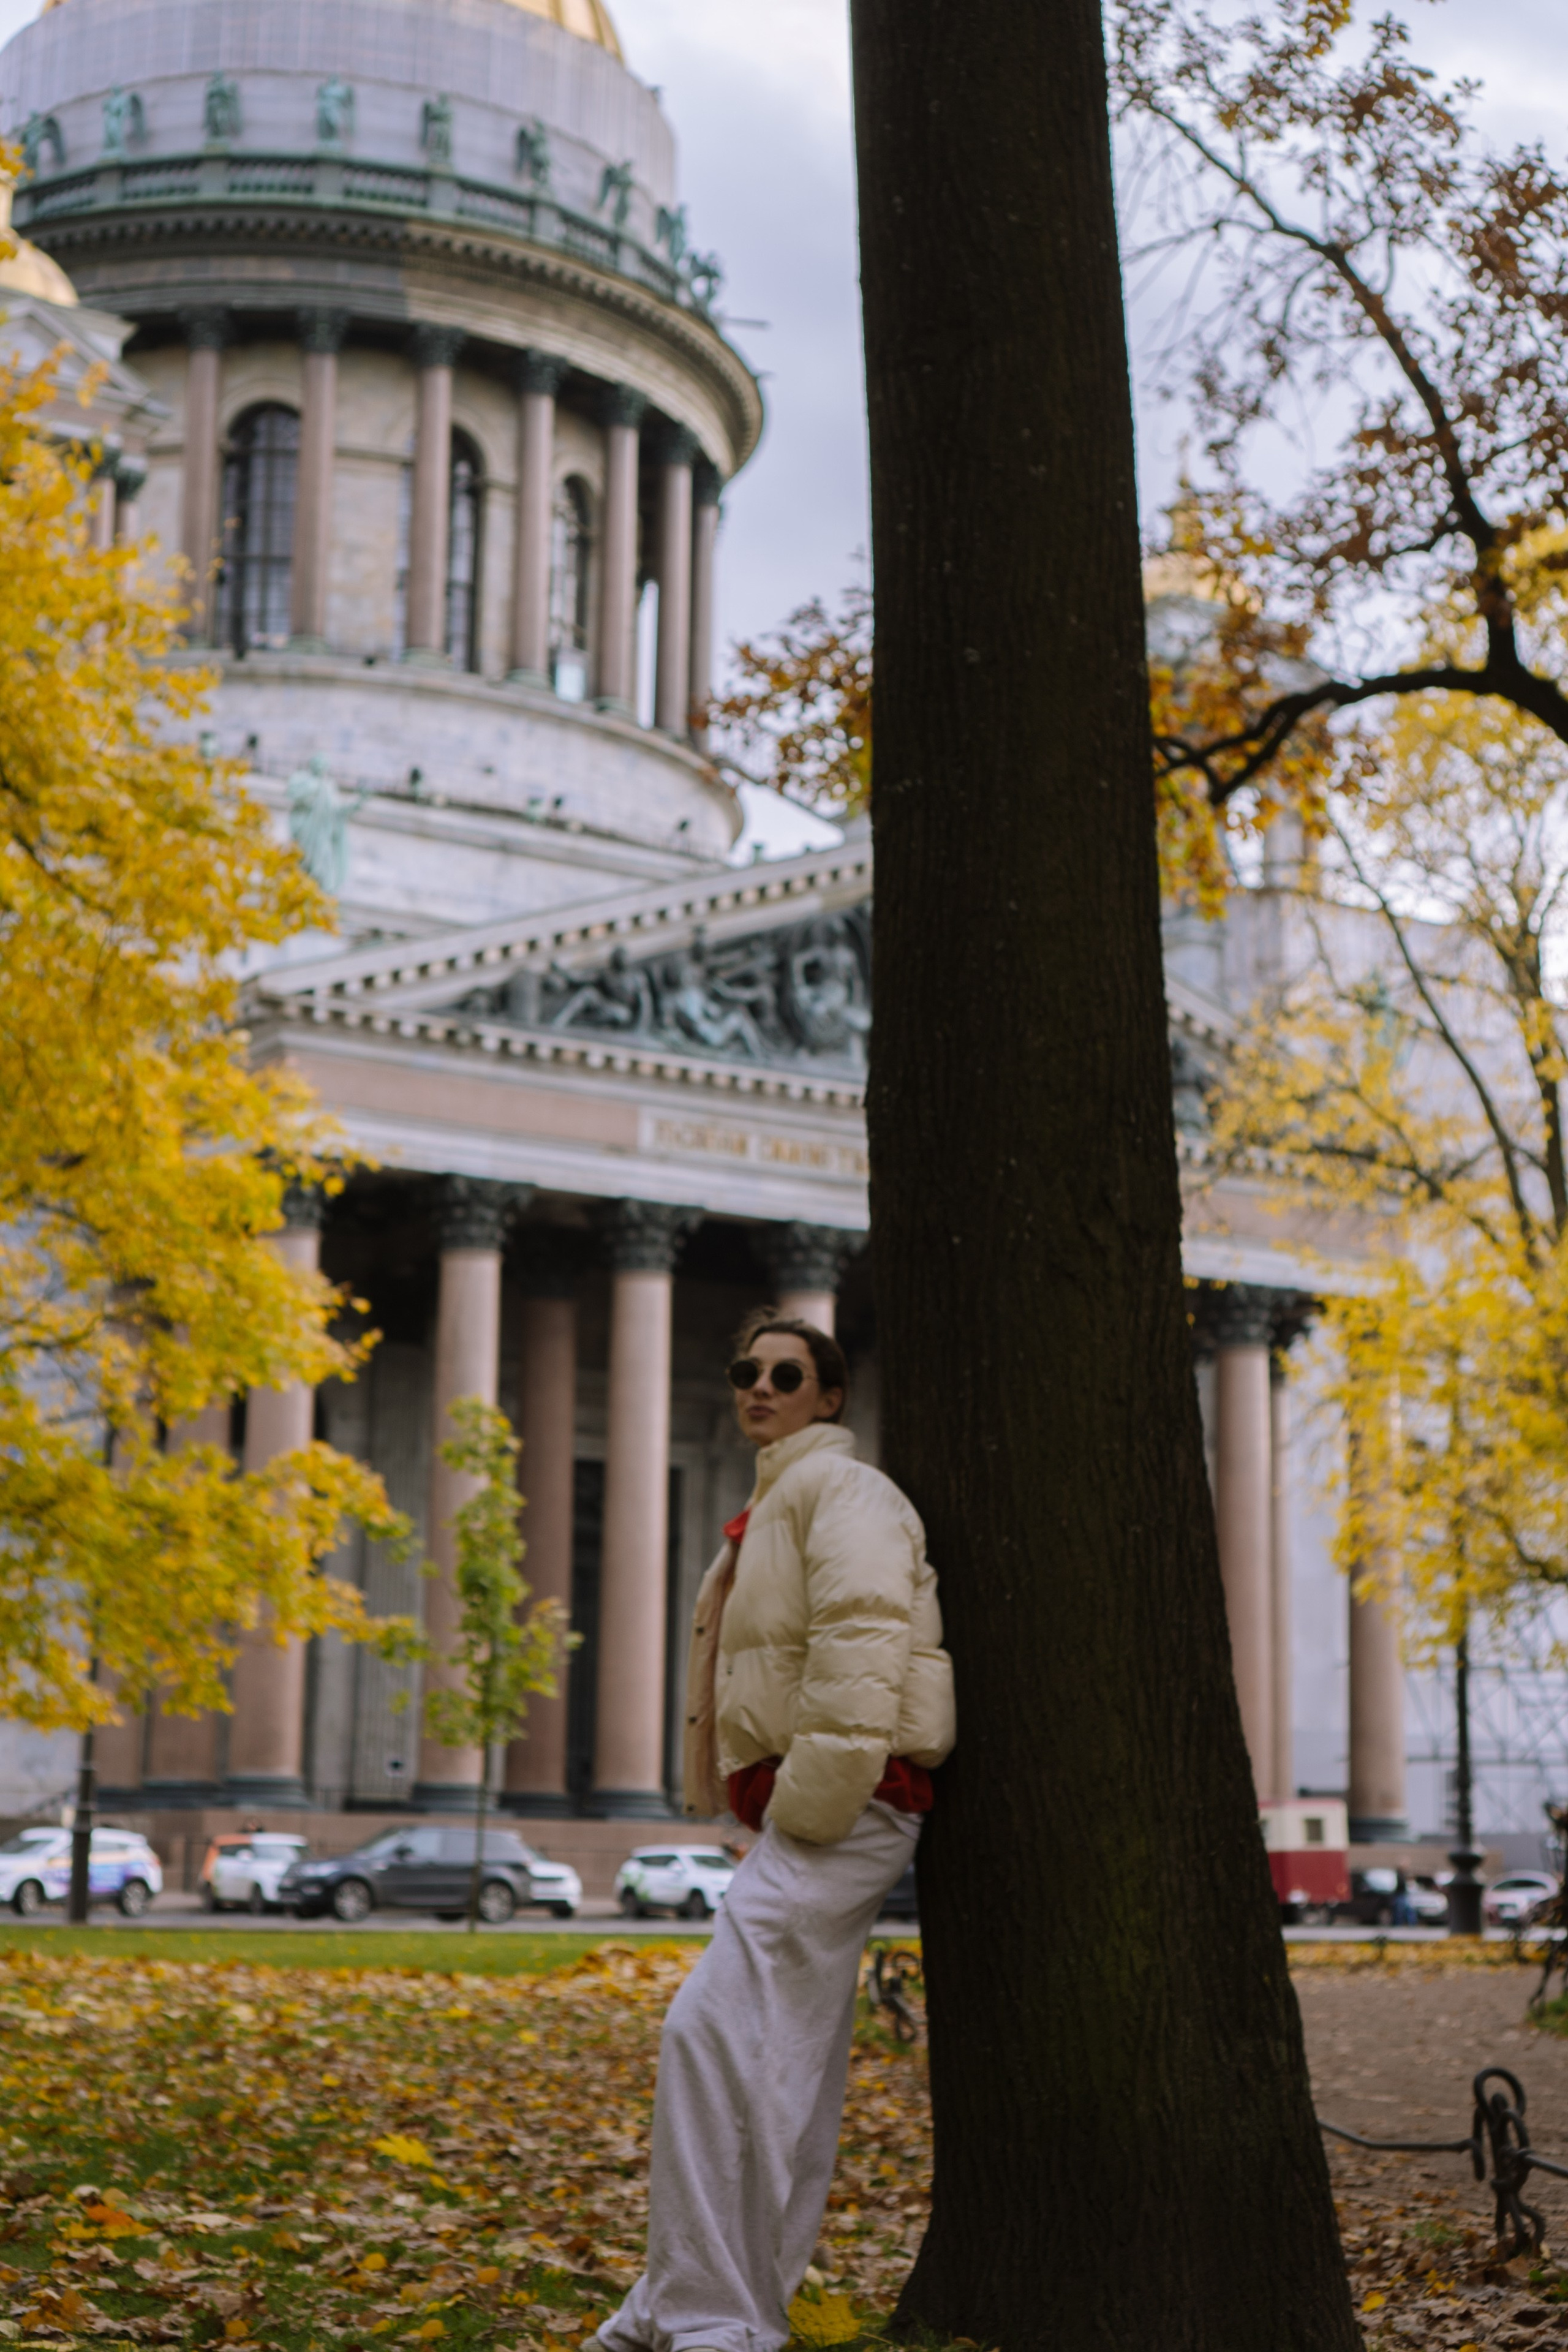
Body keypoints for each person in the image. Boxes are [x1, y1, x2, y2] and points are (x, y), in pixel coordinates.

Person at [595, 1310, 956, 2352]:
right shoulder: (776, 1502)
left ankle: (707, 2312)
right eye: (745, 1370)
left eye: (785, 1374)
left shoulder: (844, 1491)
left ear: (829, 1396)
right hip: (825, 1812)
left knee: (704, 2034)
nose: (759, 1386)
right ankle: (704, 2307)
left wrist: (806, 1806)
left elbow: (862, 1645)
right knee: (781, 2066)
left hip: (847, 1810)